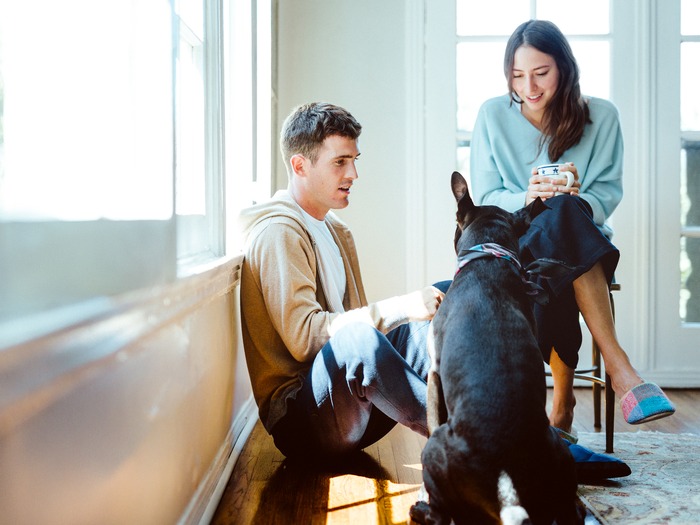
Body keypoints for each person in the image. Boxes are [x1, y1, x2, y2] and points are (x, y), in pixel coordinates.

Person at [238, 101, 631, 481]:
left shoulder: (334, 230)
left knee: (452, 294)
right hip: (304, 422)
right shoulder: (278, 233)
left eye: (355, 159)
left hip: (351, 409)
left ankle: (516, 429)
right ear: (299, 166)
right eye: (340, 161)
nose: (353, 173)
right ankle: (482, 446)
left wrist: (423, 307)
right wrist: (403, 307)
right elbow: (305, 339)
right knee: (361, 339)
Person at [469, 19, 675, 438]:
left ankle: (561, 408)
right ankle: (620, 374)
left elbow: (609, 193)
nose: (529, 87)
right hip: (518, 242)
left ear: (563, 67)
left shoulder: (603, 116)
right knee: (556, 225)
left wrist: (579, 199)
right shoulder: (492, 115)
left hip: (583, 242)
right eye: (517, 75)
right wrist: (527, 197)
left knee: (564, 218)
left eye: (541, 73)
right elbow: (486, 198)